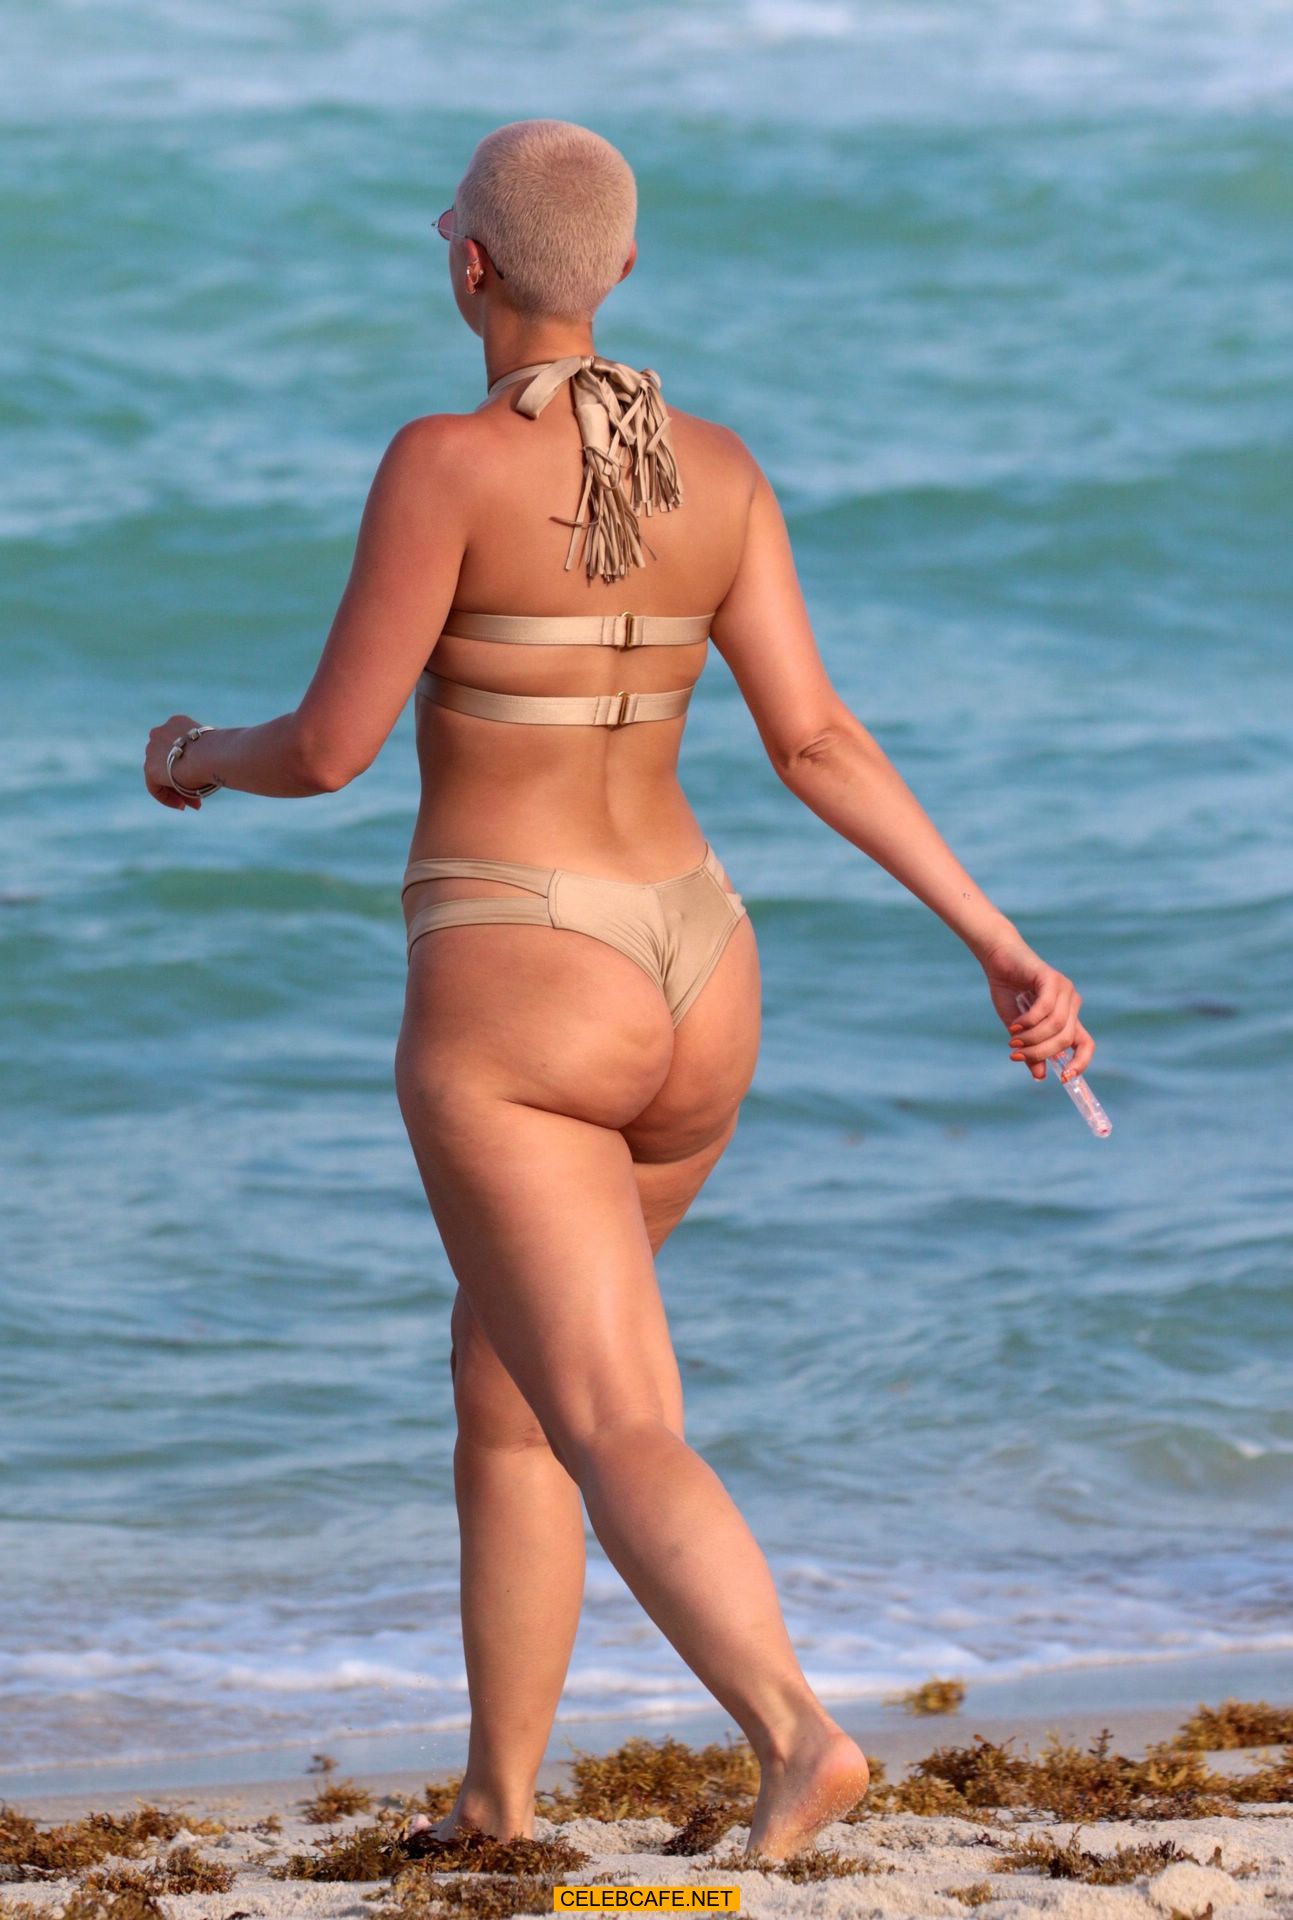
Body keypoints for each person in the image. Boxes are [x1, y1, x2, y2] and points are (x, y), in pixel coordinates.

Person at [144, 118, 1095, 1862]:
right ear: (623, 269)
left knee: (609, 1419)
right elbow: (814, 739)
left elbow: (336, 747)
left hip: (527, 988)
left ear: (470, 267)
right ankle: (494, 1801)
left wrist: (191, 754)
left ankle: (798, 1735)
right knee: (507, 1376)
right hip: (698, 969)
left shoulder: (443, 465)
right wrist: (995, 935)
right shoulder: (714, 471)